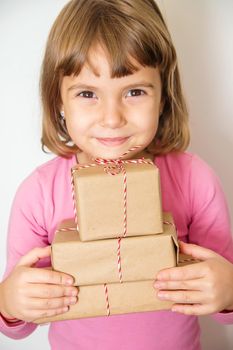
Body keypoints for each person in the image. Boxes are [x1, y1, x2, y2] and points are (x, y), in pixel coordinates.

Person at [0, 0, 233, 349]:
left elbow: (224, 294)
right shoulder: (38, 193)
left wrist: (228, 289)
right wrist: (9, 302)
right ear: (59, 100)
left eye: (135, 91)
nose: (112, 118)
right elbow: (16, 324)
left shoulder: (194, 179)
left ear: (163, 96)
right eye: (88, 93)